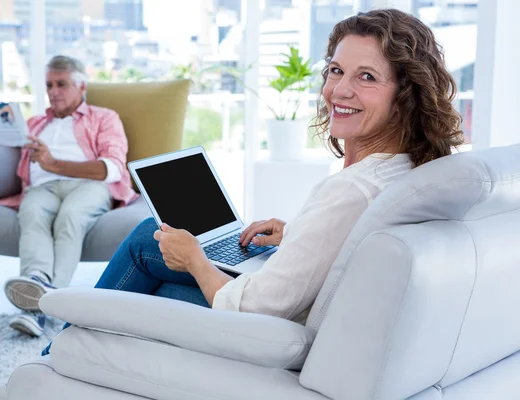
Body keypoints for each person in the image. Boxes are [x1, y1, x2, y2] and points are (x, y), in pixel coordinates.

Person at [35, 8, 464, 358]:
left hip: (272, 333)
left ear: (405, 94)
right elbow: (344, 245)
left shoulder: (350, 190)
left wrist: (196, 260)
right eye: (336, 70)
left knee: (155, 243)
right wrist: (296, 236)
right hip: (302, 308)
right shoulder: (404, 169)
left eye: (366, 77)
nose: (339, 90)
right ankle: (67, 354)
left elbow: (257, 307)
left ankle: (55, 357)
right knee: (156, 265)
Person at [0, 55, 138, 337]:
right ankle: (37, 281)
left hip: (88, 185)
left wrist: (53, 164)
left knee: (71, 216)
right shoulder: (33, 124)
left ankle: (41, 306)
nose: (53, 91)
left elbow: (114, 168)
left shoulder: (104, 118)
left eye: (61, 84)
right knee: (32, 212)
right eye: (49, 85)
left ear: (81, 87)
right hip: (42, 188)